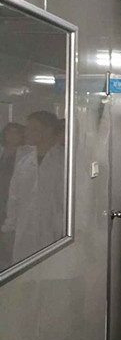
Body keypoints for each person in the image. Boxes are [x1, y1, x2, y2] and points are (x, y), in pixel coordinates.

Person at [2, 111, 65, 265]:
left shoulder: (64, 161)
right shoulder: (24, 162)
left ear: (48, 131)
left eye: (33, 129)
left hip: (56, 231)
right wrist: (9, 228)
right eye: (28, 128)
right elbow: (14, 198)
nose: (27, 133)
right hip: (25, 230)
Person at [0, 123, 25, 268]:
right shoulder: (3, 152)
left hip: (14, 196)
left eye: (15, 133)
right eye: (9, 133)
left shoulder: (25, 154)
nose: (12, 136)